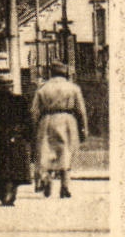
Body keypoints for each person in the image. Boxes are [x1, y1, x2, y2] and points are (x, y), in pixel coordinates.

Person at [31, 62, 88, 199]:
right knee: (66, 152)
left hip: (47, 120)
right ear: (65, 73)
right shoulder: (73, 88)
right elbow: (81, 110)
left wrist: (34, 127)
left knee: (47, 152)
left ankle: (46, 179)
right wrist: (84, 128)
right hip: (67, 120)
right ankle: (65, 186)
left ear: (51, 73)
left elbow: (34, 111)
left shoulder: (43, 89)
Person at [0, 73, 33, 205]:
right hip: (10, 138)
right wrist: (27, 136)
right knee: (9, 170)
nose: (6, 87)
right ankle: (8, 194)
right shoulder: (19, 100)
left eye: (7, 84)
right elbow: (28, 121)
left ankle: (6, 194)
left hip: (0, 138)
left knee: (1, 169)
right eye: (4, 84)